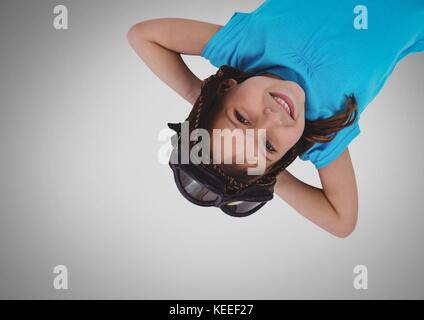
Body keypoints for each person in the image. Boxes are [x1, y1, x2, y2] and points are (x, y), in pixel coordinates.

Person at [127, 0, 424, 237]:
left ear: (226, 88)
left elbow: (142, 36)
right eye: (268, 146)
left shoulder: (245, 48)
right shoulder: (326, 122)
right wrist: (268, 176)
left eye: (241, 118)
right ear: (284, 156)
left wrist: (200, 96)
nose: (271, 119)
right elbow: (341, 221)